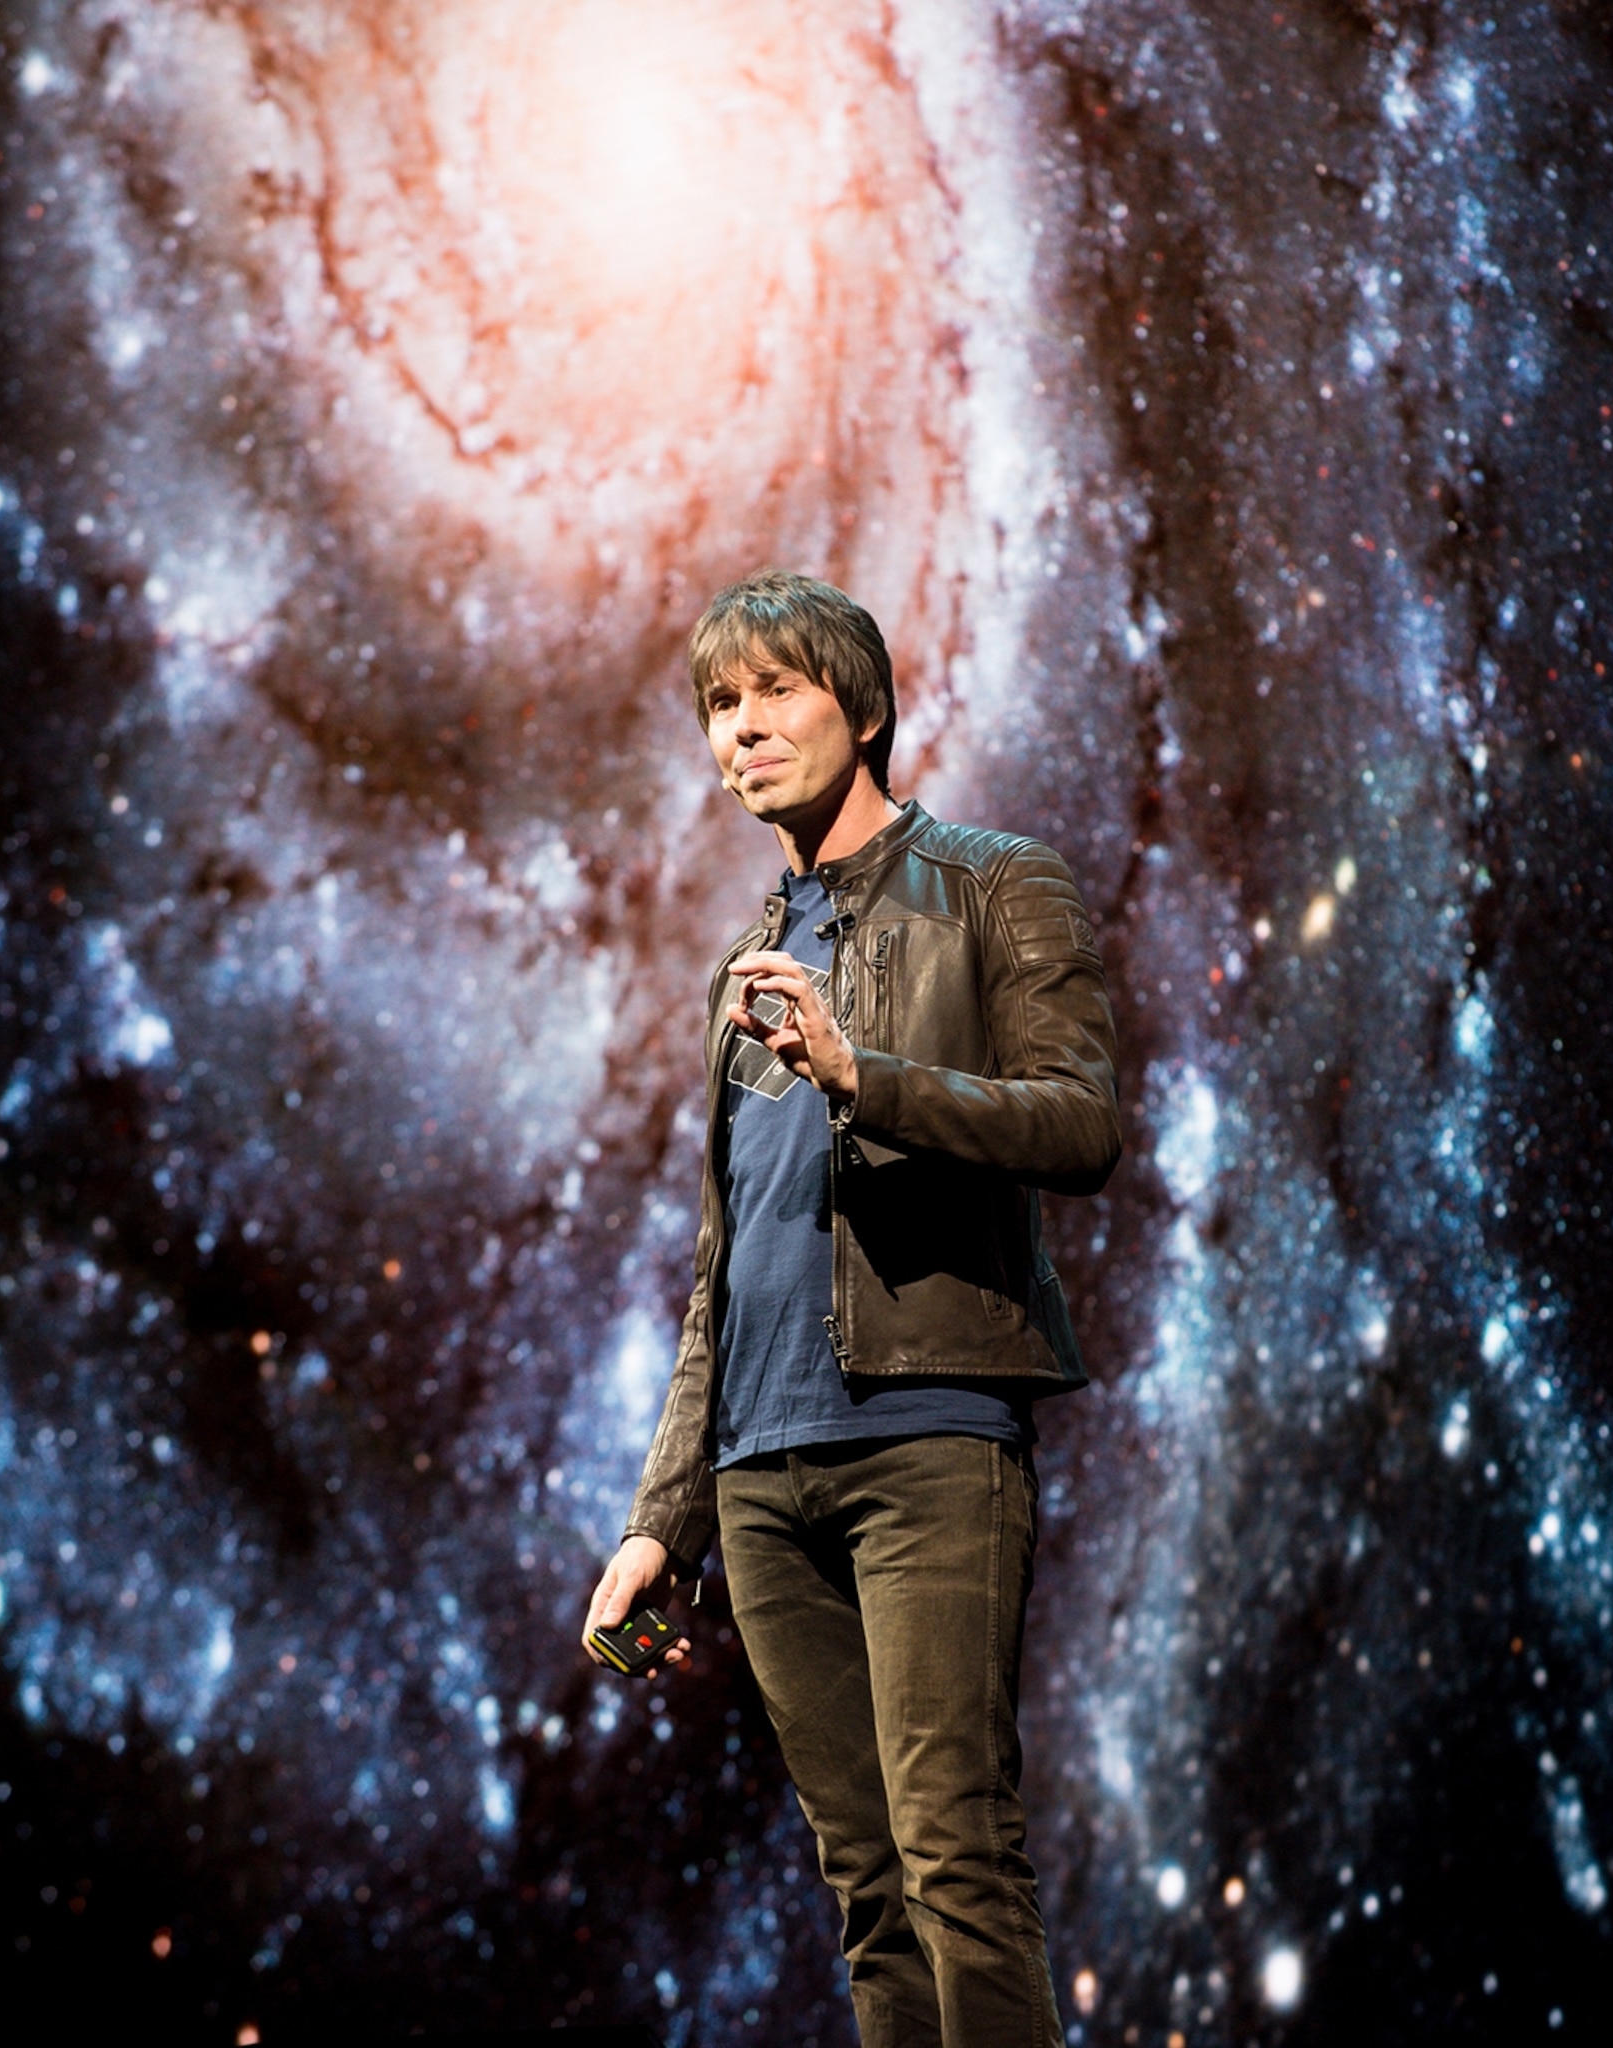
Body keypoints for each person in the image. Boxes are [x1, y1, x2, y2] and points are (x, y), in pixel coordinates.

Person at [586, 570, 1121, 2046]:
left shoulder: (995, 884)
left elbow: (1080, 1123)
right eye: (719, 704)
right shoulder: (740, 971)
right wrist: (660, 1520)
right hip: (760, 1483)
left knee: (956, 1859)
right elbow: (723, 1268)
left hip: (925, 1441)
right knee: (868, 1891)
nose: (741, 729)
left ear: (864, 706)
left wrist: (861, 1075)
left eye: (775, 691)